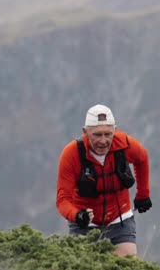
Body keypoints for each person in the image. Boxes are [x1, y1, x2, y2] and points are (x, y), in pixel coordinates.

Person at [56, 104, 152, 256]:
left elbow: (142, 158)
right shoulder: (71, 154)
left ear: (115, 130)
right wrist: (77, 215)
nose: (103, 141)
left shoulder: (125, 144)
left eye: (108, 134)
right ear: (85, 132)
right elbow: (63, 200)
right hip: (84, 225)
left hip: (120, 220)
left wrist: (143, 194)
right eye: (97, 135)